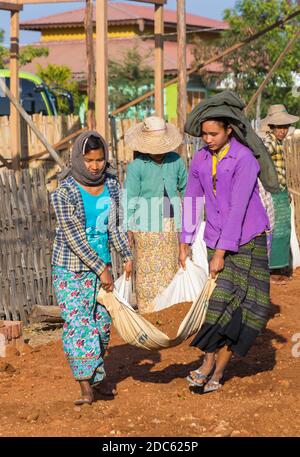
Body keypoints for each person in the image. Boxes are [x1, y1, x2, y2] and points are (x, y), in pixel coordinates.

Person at [180, 117, 271, 394]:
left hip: (248, 240)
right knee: (217, 304)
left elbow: (239, 208)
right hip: (217, 237)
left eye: (213, 133)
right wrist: (184, 241)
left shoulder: (244, 158)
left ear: (228, 130)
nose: (207, 139)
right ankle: (207, 364)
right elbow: (192, 199)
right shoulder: (200, 159)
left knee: (239, 310)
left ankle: (218, 371)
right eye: (204, 134)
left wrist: (220, 252)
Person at [51, 131, 133, 405]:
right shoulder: (64, 193)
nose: (95, 165)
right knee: (80, 324)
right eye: (89, 160)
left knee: (102, 324)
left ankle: (96, 377)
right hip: (71, 269)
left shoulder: (111, 185)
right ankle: (86, 386)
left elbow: (116, 225)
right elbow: (74, 238)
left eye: (99, 159)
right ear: (78, 158)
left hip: (103, 268)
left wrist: (127, 254)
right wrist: (101, 268)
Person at [124, 116, 187, 313]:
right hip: (145, 228)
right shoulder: (137, 167)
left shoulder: (176, 161)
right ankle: (150, 313)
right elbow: (130, 199)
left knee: (171, 269)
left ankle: (170, 311)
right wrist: (129, 232)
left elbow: (186, 190)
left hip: (171, 226)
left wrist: (189, 224)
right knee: (147, 274)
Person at [261, 104, 299, 284]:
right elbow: (260, 159)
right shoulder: (269, 142)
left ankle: (278, 267)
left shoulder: (277, 142)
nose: (283, 130)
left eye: (285, 127)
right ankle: (274, 271)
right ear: (272, 127)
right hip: (273, 193)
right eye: (280, 127)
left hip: (280, 192)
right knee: (277, 231)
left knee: (283, 230)